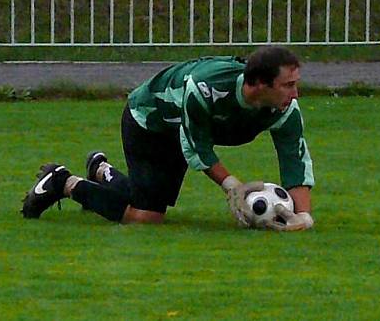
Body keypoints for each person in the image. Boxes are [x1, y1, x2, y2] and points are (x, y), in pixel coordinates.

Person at [21, 46, 315, 231]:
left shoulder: (284, 109)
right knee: (145, 217)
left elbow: (295, 157)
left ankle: (102, 171)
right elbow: (195, 146)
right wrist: (233, 188)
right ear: (259, 84)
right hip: (149, 122)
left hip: (178, 132)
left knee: (147, 202)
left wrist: (303, 217)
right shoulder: (205, 88)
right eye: (288, 85)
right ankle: (63, 182)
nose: (295, 93)